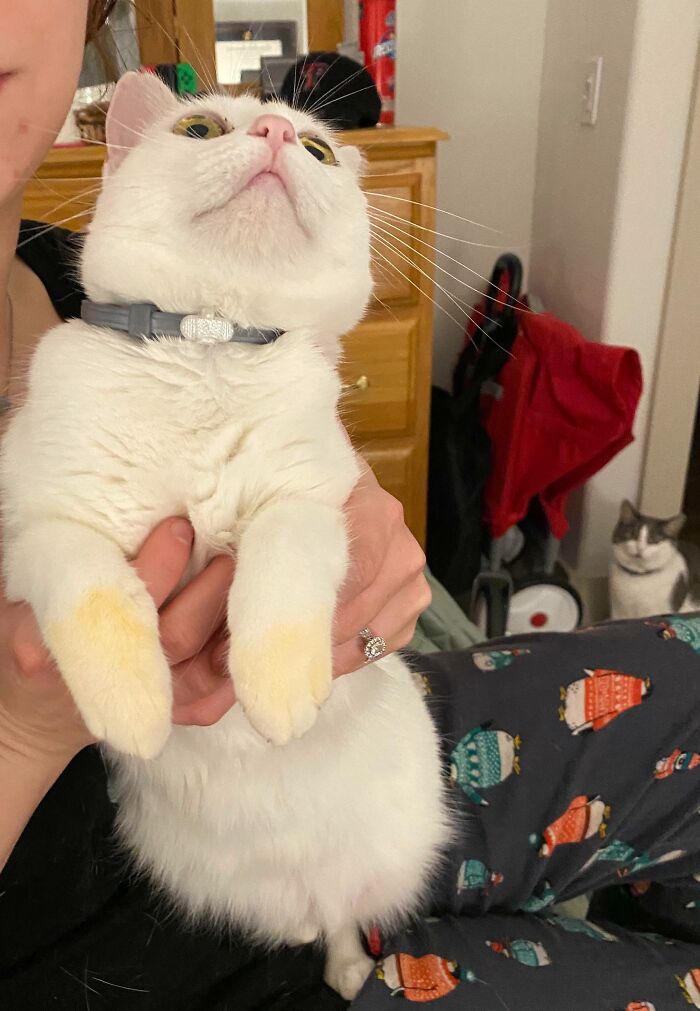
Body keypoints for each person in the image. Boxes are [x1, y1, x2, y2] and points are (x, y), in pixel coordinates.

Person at [2, 5, 700, 1010]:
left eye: (305, 141)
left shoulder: (83, 269)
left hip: (356, 781)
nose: (273, 135)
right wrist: (22, 730)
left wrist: (360, 582)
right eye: (210, 129)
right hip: (163, 953)